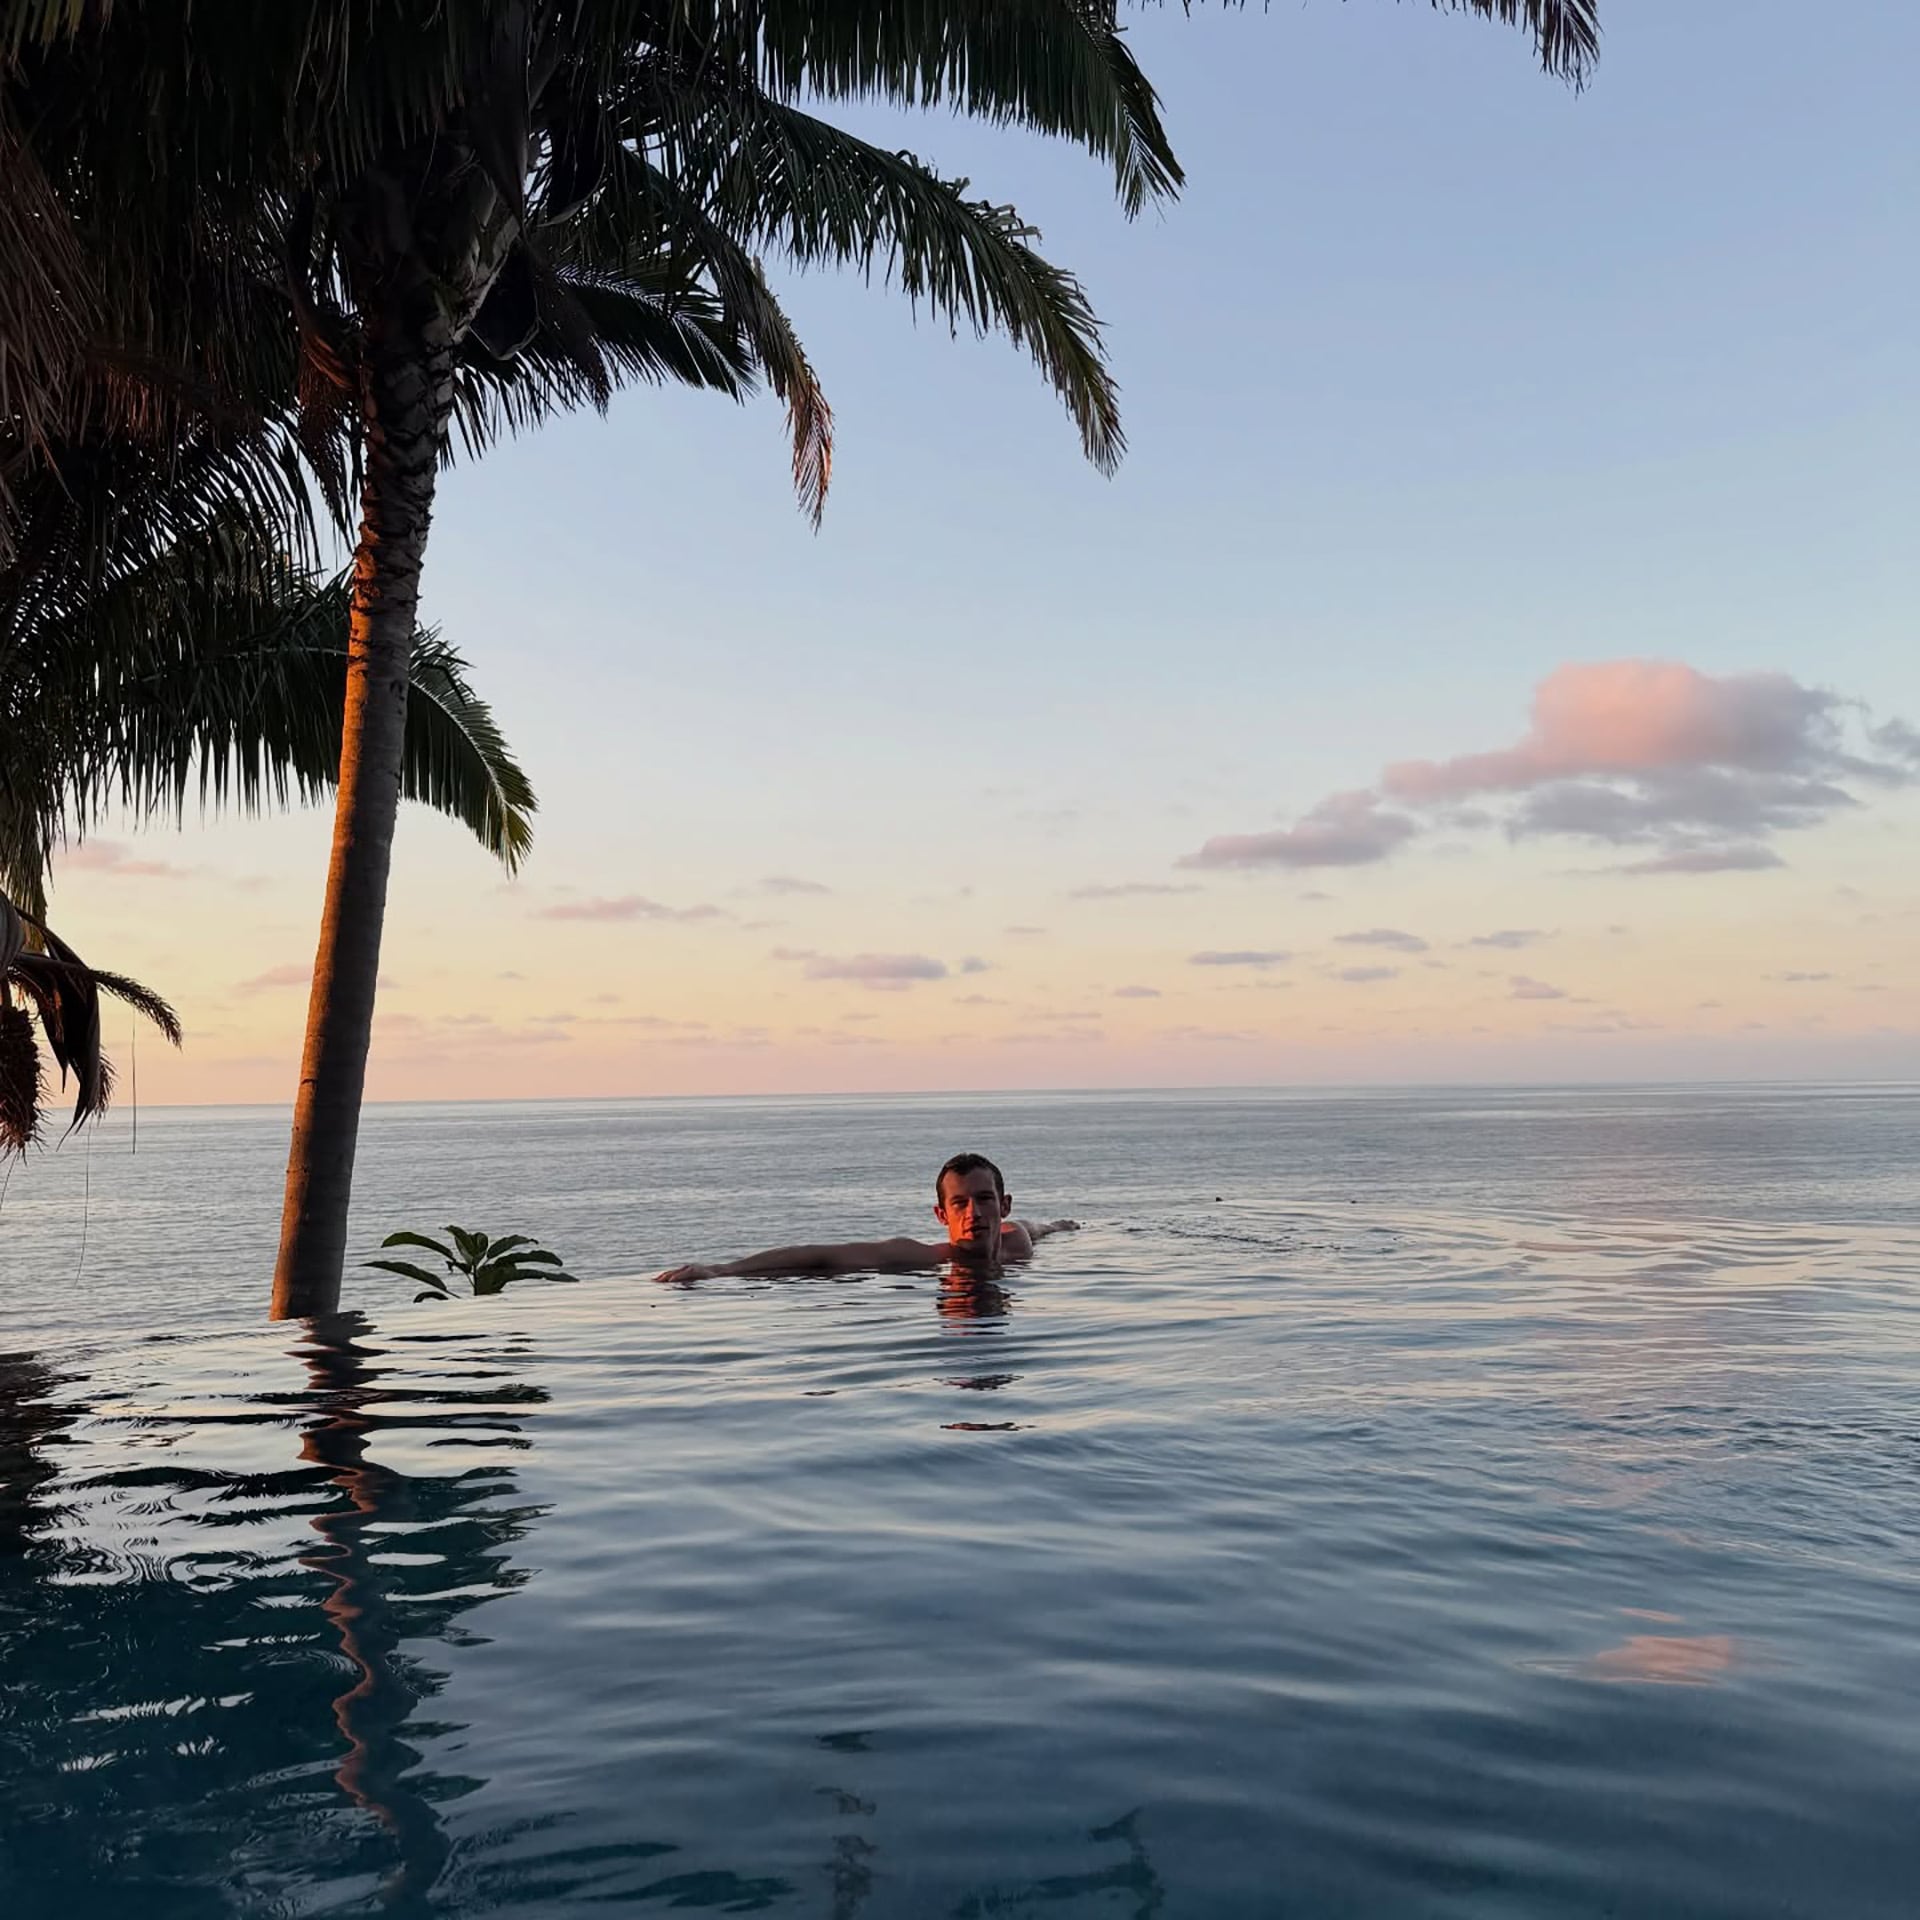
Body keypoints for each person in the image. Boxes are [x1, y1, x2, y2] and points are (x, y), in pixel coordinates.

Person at [652, 1151, 1078, 1283]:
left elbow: (1037, 1228)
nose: (974, 1212)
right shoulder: (923, 1257)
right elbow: (822, 1257)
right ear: (940, 1214)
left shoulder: (1016, 1241)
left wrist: (1061, 1225)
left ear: (1003, 1206)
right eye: (959, 1203)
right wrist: (721, 1269)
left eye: (985, 1200)